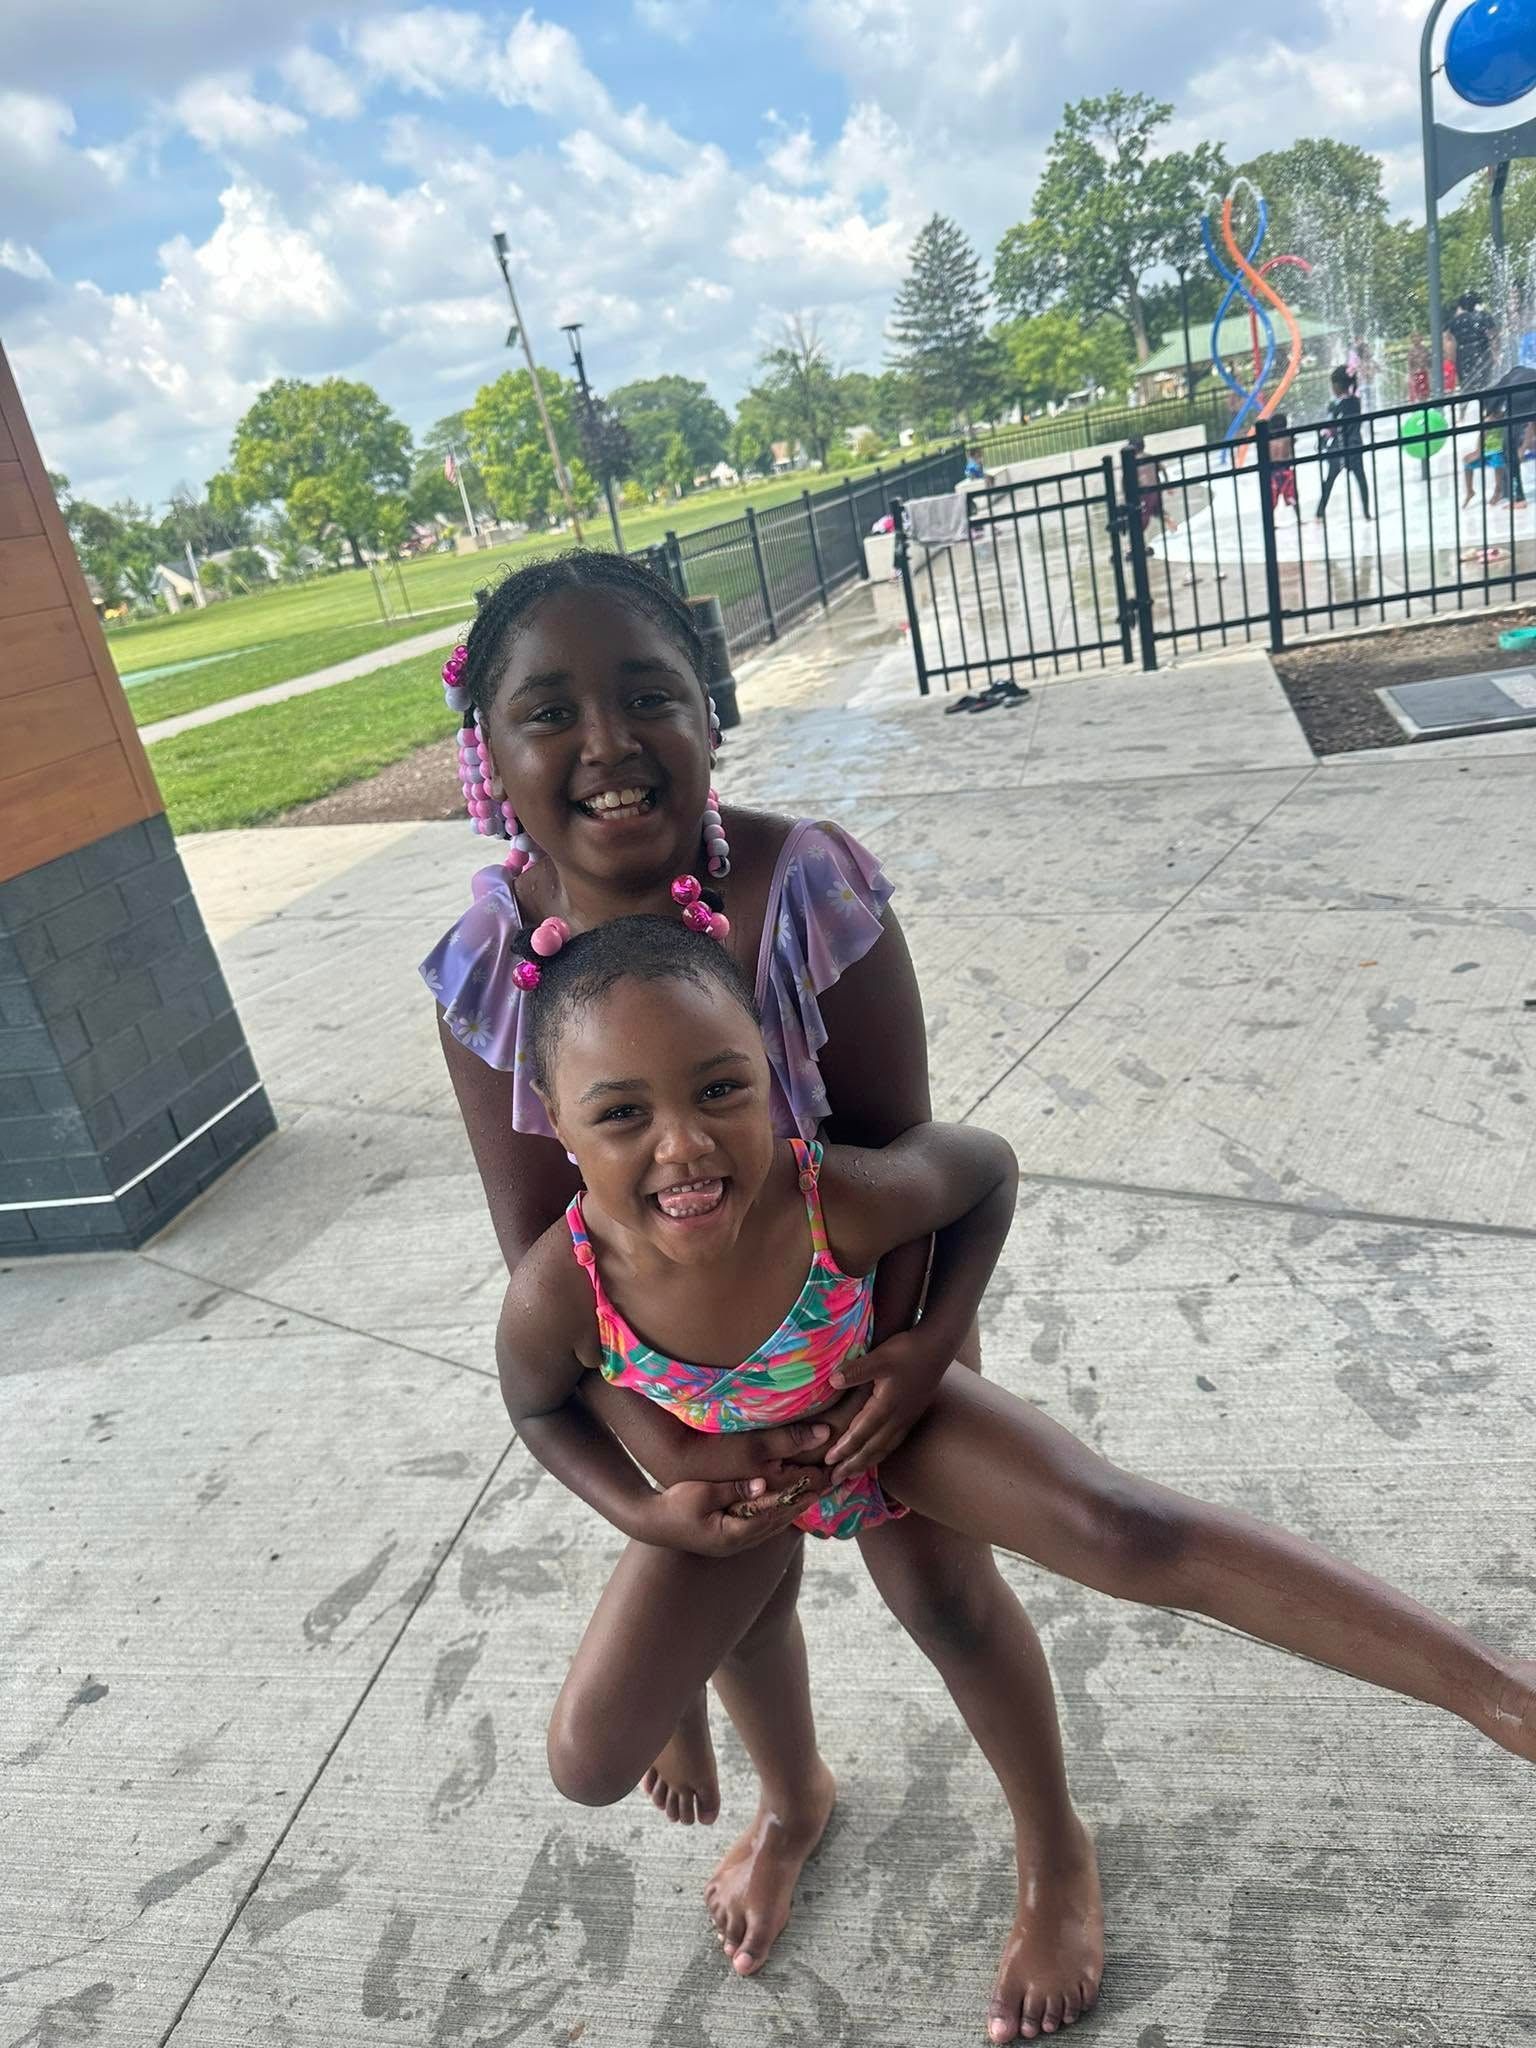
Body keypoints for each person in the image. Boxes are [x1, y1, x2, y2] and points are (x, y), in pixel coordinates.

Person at [500, 914, 1536, 2040]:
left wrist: (925, 1349)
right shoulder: (561, 1290)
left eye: (719, 1090)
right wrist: (651, 1510)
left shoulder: (830, 1197)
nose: (685, 1145)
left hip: (891, 1422)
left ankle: (1489, 1693)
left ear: (769, 1075)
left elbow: (985, 1172)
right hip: (736, 1498)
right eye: (622, 1113)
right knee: (591, 1756)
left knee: (1115, 1533)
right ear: (556, 1122)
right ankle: (794, 1801)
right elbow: (539, 1402)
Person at [421, 550, 1105, 2040]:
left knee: (941, 1588)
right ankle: (794, 1798)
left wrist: (914, 1365)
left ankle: (1056, 1851)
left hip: (874, 1330)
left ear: (713, 711)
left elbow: (913, 1154)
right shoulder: (491, 961)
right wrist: (669, 1459)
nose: (606, 742)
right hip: (669, 1376)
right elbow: (539, 1249)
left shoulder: (801, 883)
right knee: (738, 1589)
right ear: (491, 755)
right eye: (551, 711)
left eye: (648, 693)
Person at [1315, 366, 1372, 521]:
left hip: (1339, 448)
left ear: (1338, 386)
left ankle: (1320, 512)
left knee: (1330, 480)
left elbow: (1330, 427)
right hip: (1354, 446)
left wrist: (1322, 442)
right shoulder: (1356, 402)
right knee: (1361, 478)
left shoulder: (1335, 405)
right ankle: (1366, 512)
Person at [1124, 434, 1178, 557]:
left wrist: (1126, 493)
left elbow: (1126, 480)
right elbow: (1162, 468)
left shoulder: (1132, 462)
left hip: (1142, 494)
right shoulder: (1150, 457)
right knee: (1156, 510)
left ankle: (1133, 546)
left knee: (1140, 520)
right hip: (1155, 491)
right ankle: (1168, 519)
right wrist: (1168, 484)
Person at [1462, 396, 1509, 509]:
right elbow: (1481, 436)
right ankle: (1470, 491)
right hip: (1486, 452)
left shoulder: (1504, 417)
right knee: (1467, 461)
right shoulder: (1489, 420)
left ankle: (1498, 489)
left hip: (1498, 451)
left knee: (1498, 461)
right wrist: (1478, 451)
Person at [1447, 291, 1495, 394]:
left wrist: (1453, 360)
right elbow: (1493, 336)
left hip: (1463, 357)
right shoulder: (1484, 316)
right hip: (1482, 355)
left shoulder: (1455, 321)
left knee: (1466, 389)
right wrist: (1496, 354)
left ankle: (1464, 408)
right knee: (1485, 387)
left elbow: (1449, 342)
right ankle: (1486, 407)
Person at [1267, 412, 1297, 511]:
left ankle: (1271, 523)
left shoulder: (1268, 439)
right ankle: (1299, 519)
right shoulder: (1288, 436)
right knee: (1292, 497)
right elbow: (1291, 454)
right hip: (1286, 471)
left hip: (1272, 473)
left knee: (1271, 501)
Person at [1407, 334, 1431, 405]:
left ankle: (1425, 406)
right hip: (1415, 375)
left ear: (1421, 338)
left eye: (1417, 336)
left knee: (1425, 394)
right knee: (1416, 394)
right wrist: (1410, 377)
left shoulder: (1425, 349)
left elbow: (1429, 363)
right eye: (1413, 337)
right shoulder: (1411, 351)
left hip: (1424, 373)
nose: (1416, 339)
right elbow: (1409, 365)